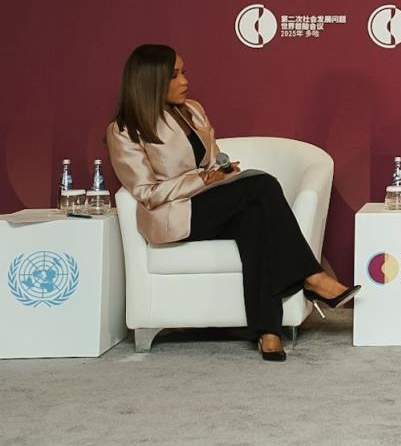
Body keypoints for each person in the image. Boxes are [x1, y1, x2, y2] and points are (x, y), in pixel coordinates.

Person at [106, 44, 359, 361]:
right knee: (263, 185)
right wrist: (202, 180)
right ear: (151, 81)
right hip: (178, 217)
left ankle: (268, 330)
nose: (185, 81)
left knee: (255, 219)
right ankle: (312, 276)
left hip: (214, 204)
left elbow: (210, 161)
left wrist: (221, 172)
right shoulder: (125, 130)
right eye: (174, 75)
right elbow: (146, 192)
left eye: (184, 72)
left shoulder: (192, 110)